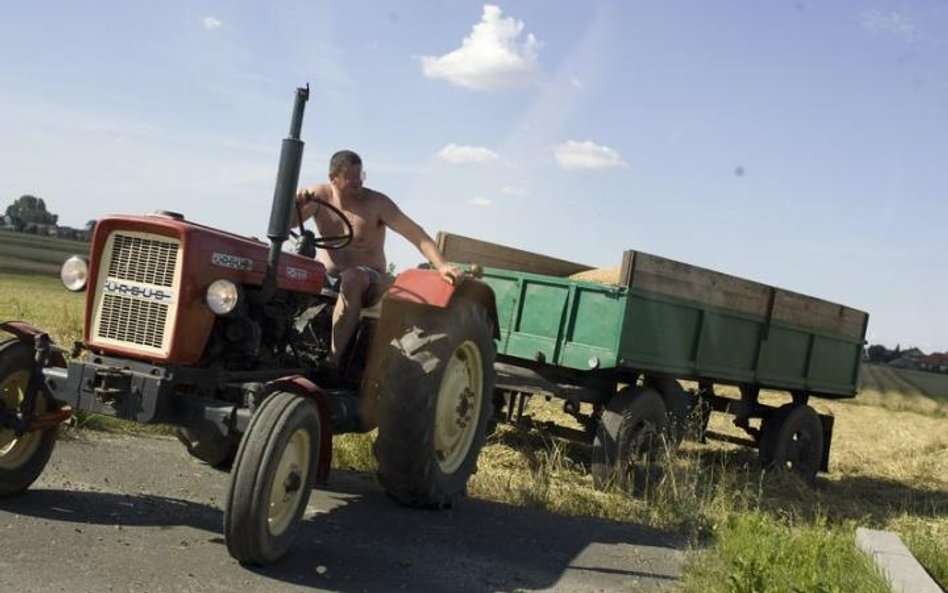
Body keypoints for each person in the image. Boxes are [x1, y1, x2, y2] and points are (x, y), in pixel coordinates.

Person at [291, 149, 462, 369]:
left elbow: (416, 234)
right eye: (351, 180)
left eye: (360, 177)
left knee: (351, 278)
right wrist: (296, 203)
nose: (358, 184)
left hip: (370, 281)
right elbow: (290, 223)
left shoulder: (377, 203)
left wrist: (442, 265)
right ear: (333, 178)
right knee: (288, 269)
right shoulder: (319, 195)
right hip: (326, 277)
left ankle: (333, 361)